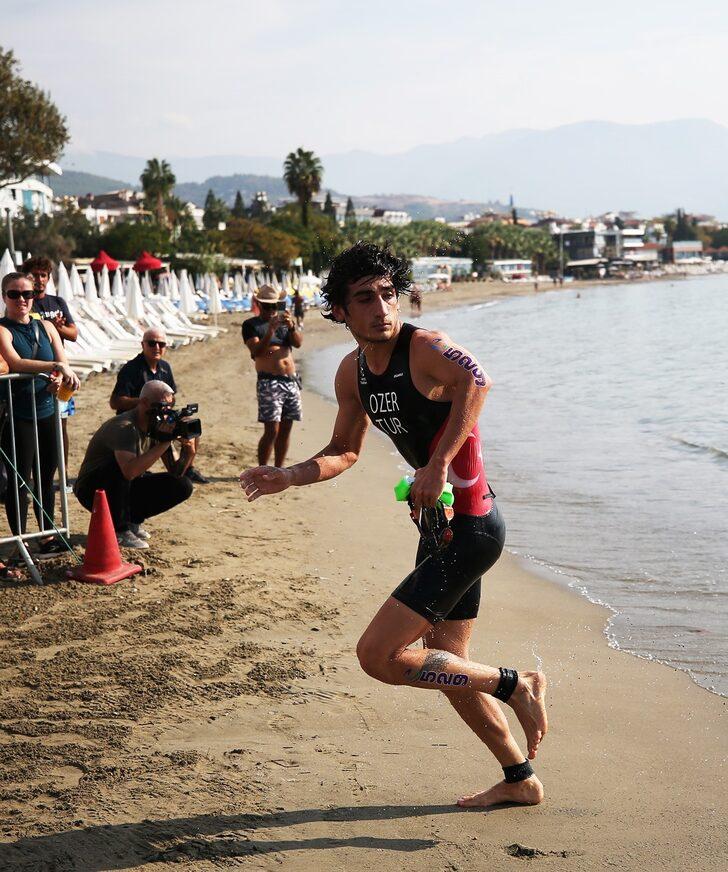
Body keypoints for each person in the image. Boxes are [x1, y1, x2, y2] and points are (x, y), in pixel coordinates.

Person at [240, 243, 547, 808]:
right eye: (365, 298)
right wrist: (290, 475)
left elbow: (476, 383)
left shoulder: (425, 347)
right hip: (439, 530)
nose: (382, 307)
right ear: (339, 309)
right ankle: (519, 778)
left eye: (388, 293)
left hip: (471, 526)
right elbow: (343, 450)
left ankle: (515, 685)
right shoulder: (351, 373)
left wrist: (436, 465)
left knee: (379, 656)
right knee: (445, 666)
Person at [0, 273, 80, 558]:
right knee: (21, 479)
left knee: (47, 474)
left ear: (34, 295)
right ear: (4, 297)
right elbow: (15, 362)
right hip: (18, 413)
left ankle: (47, 536)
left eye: (27, 294)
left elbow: (64, 363)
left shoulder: (46, 326)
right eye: (14, 294)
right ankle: (20, 541)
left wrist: (59, 375)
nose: (21, 299)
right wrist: (55, 364)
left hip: (46, 409)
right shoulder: (2, 329)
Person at [75, 380, 194, 549]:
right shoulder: (124, 427)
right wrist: (164, 443)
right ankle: (120, 530)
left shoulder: (156, 425)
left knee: (182, 485)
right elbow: (128, 472)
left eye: (170, 407)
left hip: (120, 486)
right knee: (119, 469)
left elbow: (175, 472)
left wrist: (188, 451)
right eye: (162, 406)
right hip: (92, 490)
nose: (166, 412)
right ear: (144, 402)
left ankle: (132, 522)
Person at [109, 327, 208, 484]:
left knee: (190, 424)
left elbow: (172, 397)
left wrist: (170, 411)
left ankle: (188, 467)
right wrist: (142, 402)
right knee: (163, 436)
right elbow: (115, 402)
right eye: (152, 343)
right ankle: (148, 466)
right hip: (137, 419)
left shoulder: (165, 367)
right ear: (143, 345)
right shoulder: (131, 369)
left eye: (161, 344)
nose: (156, 348)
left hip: (159, 416)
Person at [21, 256, 78, 484]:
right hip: (34, 373)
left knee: (61, 425)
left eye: (43, 275)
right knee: (34, 427)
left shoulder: (58, 302)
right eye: (34, 275)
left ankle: (62, 476)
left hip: (59, 372)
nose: (39, 280)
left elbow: (73, 334)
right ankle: (35, 477)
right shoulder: (24, 301)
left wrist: (57, 328)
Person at [242, 284, 303, 467]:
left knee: (286, 429)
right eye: (267, 306)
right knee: (272, 430)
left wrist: (291, 328)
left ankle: (279, 469)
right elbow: (256, 351)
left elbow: (298, 344)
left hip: (290, 381)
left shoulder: (284, 323)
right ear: (259, 304)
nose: (271, 310)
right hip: (269, 382)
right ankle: (262, 468)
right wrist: (269, 332)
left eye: (274, 306)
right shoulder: (251, 325)